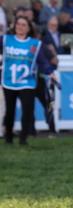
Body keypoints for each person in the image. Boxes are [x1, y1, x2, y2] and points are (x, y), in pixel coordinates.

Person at [1, 16, 55, 144]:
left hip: (27, 82)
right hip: (9, 81)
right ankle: (8, 137)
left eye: (24, 25)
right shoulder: (5, 40)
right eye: (18, 24)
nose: (20, 27)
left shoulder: (34, 44)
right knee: (10, 111)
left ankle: (23, 139)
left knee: (28, 110)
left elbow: (42, 61)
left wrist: (50, 72)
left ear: (29, 28)